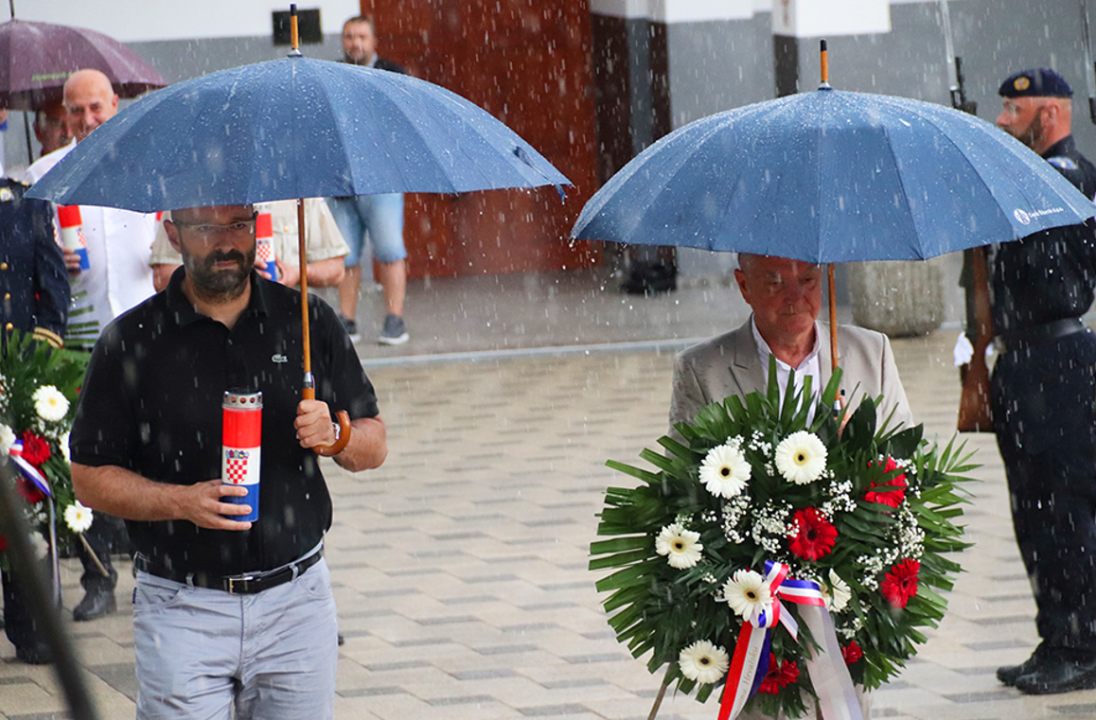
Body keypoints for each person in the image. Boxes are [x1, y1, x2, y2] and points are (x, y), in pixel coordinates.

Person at [69, 203, 387, 719]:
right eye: (205, 228)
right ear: (173, 233)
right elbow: (88, 477)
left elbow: (374, 442)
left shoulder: (304, 321)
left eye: (239, 225)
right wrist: (180, 501)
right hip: (182, 605)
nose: (226, 242)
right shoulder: (131, 341)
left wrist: (335, 435)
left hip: (296, 602)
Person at [668, 252, 911, 719]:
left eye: (808, 279)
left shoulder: (869, 352)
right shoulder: (704, 369)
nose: (796, 297)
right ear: (743, 285)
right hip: (758, 606)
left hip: (846, 600)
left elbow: (905, 470)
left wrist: (855, 455)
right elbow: (686, 492)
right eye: (776, 282)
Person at [24, 68, 158, 623]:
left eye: (97, 107)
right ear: (62, 114)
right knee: (83, 461)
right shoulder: (41, 178)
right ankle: (97, 577)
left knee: (154, 457)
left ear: (116, 105)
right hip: (75, 341)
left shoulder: (149, 169)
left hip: (146, 335)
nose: (87, 121)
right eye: (76, 111)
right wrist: (50, 252)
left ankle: (155, 572)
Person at [986, 68, 1096, 696]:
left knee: (1064, 508)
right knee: (1034, 512)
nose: (1003, 120)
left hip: (1058, 365)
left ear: (1049, 112)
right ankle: (1059, 634)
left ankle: (1081, 642)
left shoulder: (1064, 180)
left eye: (1013, 108)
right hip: (1024, 365)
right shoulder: (1030, 182)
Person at [0, 176, 69, 664]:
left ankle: (31, 624)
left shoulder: (26, 200)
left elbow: (52, 289)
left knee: (24, 502)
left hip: (15, 373)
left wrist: (32, 373)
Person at [326, 15, 410, 345]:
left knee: (389, 249)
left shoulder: (393, 74)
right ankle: (347, 321)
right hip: (341, 181)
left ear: (374, 41)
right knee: (345, 255)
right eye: (348, 36)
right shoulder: (330, 75)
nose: (355, 43)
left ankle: (395, 318)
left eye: (361, 36)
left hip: (383, 179)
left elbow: (400, 123)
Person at [149, 198, 349, 292]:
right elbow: (162, 278)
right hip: (204, 328)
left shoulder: (298, 193)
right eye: (207, 229)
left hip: (287, 327)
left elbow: (336, 270)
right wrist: (223, 273)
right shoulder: (190, 195)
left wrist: (297, 273)